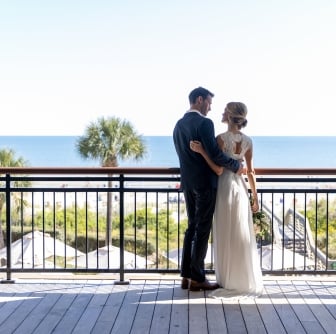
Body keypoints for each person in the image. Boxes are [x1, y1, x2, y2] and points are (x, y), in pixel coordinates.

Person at [173, 87, 244, 292]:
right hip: (205, 182)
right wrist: (236, 165)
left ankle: (186, 276)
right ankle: (197, 279)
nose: (211, 108)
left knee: (191, 228)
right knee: (202, 230)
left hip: (188, 182)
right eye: (209, 103)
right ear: (199, 100)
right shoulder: (204, 123)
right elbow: (214, 154)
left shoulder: (179, 125)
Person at [190, 101, 263, 298]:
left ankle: (227, 280)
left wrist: (202, 151)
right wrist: (255, 198)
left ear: (230, 117)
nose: (221, 113)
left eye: (225, 111)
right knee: (240, 233)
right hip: (240, 189)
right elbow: (251, 172)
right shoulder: (248, 141)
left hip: (223, 188)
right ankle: (241, 279)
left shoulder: (220, 139)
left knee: (224, 231)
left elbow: (217, 168)